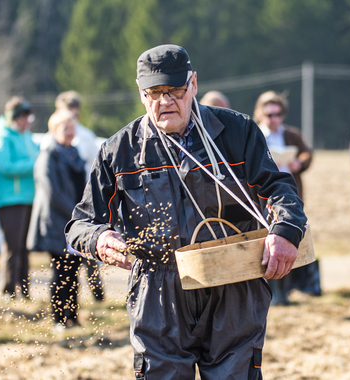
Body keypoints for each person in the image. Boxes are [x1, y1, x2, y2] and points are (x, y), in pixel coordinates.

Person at [67, 44, 307, 378]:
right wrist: (99, 238)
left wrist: (285, 232)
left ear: (193, 84)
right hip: (158, 292)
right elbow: (81, 223)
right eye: (154, 93)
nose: (164, 101)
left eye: (175, 91)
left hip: (233, 281)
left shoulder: (237, 132)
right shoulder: (119, 151)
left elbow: (279, 188)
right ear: (141, 93)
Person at [253, 91, 316, 305]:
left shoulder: (291, 134)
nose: (274, 119)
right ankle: (270, 292)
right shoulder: (253, 135)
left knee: (290, 240)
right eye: (269, 114)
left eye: (278, 114)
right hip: (264, 199)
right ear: (261, 114)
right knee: (267, 242)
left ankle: (286, 291)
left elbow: (307, 153)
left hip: (292, 198)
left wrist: (299, 162)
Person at [27, 109, 85, 330]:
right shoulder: (47, 156)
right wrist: (76, 213)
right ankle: (59, 319)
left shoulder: (75, 154)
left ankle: (74, 316)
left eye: (72, 128)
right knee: (60, 272)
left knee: (73, 271)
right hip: (55, 223)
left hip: (75, 224)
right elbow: (52, 192)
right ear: (54, 130)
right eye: (65, 128)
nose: (69, 132)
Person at [54, 91, 104, 302]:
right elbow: (53, 189)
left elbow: (95, 168)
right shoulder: (51, 147)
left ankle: (97, 293)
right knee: (65, 267)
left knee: (89, 254)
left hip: (83, 203)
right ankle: (64, 311)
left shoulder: (84, 138)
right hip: (65, 211)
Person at [0, 96, 39, 300]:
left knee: (25, 247)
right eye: (24, 118)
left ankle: (24, 290)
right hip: (10, 199)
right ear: (15, 118)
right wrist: (35, 164)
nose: (28, 122)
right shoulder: (1, 135)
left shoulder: (25, 135)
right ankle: (8, 290)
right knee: (13, 246)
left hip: (28, 197)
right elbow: (5, 165)